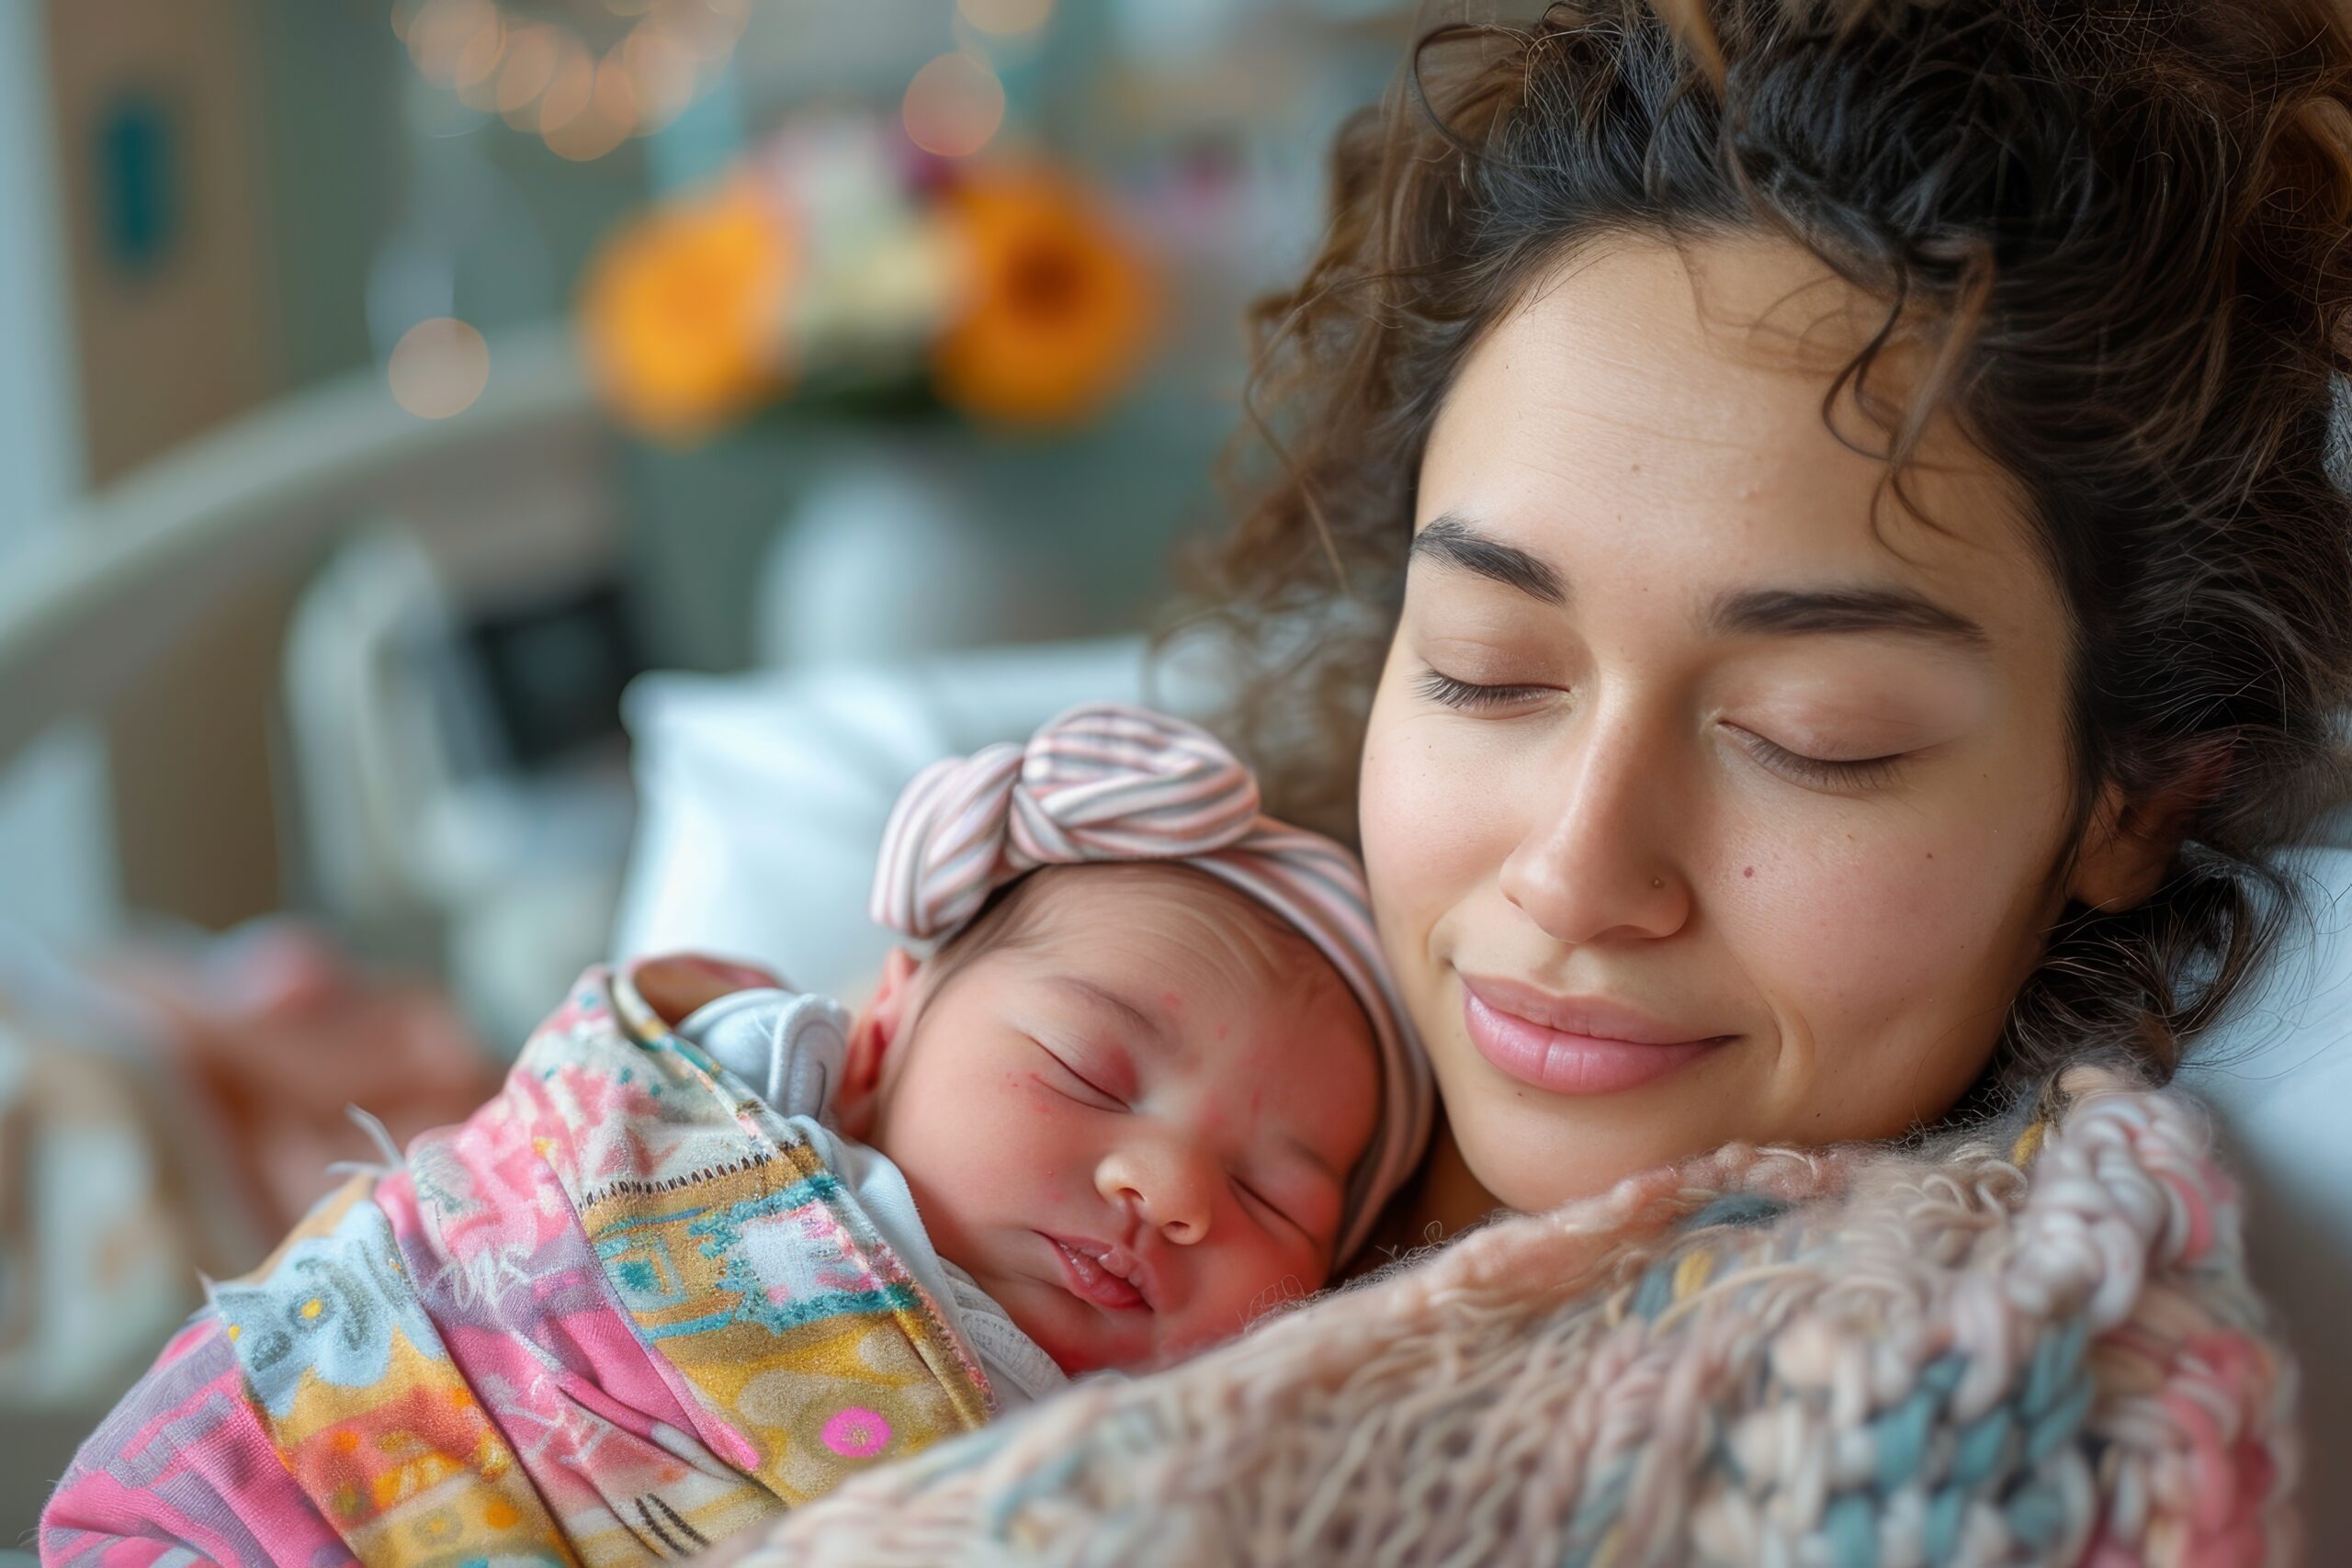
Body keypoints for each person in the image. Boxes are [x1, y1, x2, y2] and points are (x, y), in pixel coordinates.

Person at [703, 2, 2352, 1562]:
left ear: (2135, 796)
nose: (1572, 871)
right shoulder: (1116, 966)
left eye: (1812, 737)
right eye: (1487, 670)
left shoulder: (1994, 1372)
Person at [40, 705, 1430, 1565]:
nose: (1171, 1186)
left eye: (1273, 1194)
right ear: (883, 1031)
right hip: (299, 1477)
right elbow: (536, 1178)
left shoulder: (1141, 1448)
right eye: (1088, 1069)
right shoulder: (728, 1102)